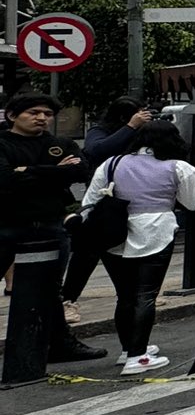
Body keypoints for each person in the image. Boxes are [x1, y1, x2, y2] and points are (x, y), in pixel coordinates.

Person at [79, 120, 195, 374]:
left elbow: (89, 202)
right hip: (156, 231)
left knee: (125, 295)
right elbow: (194, 203)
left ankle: (128, 349)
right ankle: (138, 356)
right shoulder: (179, 167)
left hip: (112, 234)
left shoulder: (112, 163)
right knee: (146, 295)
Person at [1, 91, 86, 386]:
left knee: (50, 288)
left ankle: (60, 343)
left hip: (50, 224)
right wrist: (54, 174)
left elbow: (80, 171)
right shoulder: (3, 143)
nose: (41, 118)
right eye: (34, 112)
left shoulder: (59, 144)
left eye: (47, 114)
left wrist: (30, 172)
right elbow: (5, 180)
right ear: (13, 115)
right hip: (7, 223)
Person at [55, 98, 154, 339]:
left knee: (125, 254)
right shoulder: (101, 131)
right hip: (104, 201)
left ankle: (135, 297)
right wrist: (130, 127)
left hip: (134, 200)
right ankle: (69, 299)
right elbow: (95, 151)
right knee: (87, 253)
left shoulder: (142, 134)